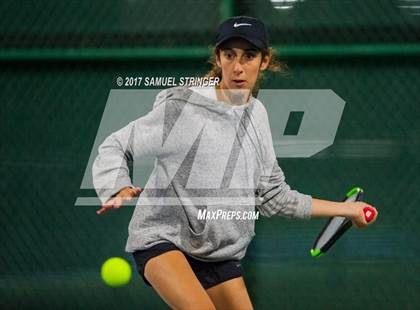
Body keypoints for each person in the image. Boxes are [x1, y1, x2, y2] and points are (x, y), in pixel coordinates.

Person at [92, 16, 378, 310]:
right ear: (218, 58)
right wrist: (116, 185)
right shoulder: (183, 109)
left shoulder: (257, 115)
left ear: (264, 61)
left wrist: (348, 209)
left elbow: (273, 196)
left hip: (219, 252)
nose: (238, 67)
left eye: (249, 56)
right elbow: (117, 144)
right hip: (163, 238)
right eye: (229, 55)